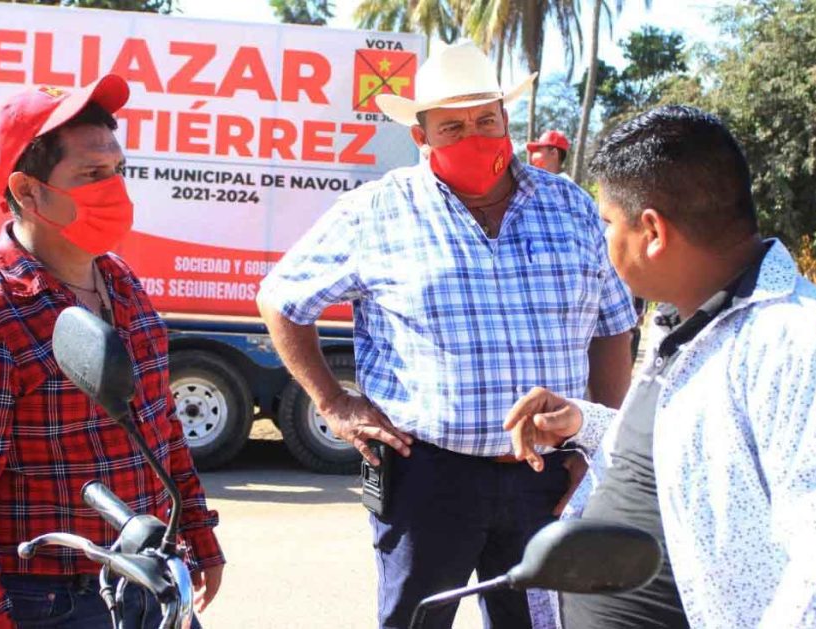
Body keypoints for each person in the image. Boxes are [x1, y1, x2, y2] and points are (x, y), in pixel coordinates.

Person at [256, 41, 636, 629]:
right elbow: (282, 299)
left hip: (546, 478)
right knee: (416, 621)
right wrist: (333, 402)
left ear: (506, 119)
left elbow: (613, 329)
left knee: (543, 623)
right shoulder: (377, 210)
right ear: (422, 136)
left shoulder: (571, 207)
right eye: (453, 127)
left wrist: (597, 443)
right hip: (425, 477)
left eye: (485, 120)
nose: (474, 136)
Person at [504, 105, 816, 628]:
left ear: (652, 231)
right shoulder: (685, 318)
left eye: (607, 223)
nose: (603, 241)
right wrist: (584, 423)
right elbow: (703, 452)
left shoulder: (802, 342)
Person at [0, 75, 225, 628]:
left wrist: (198, 534)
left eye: (118, 170)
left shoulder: (120, 282)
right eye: (92, 174)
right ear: (27, 191)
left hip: (149, 578)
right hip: (49, 603)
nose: (115, 189)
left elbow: (160, 426)